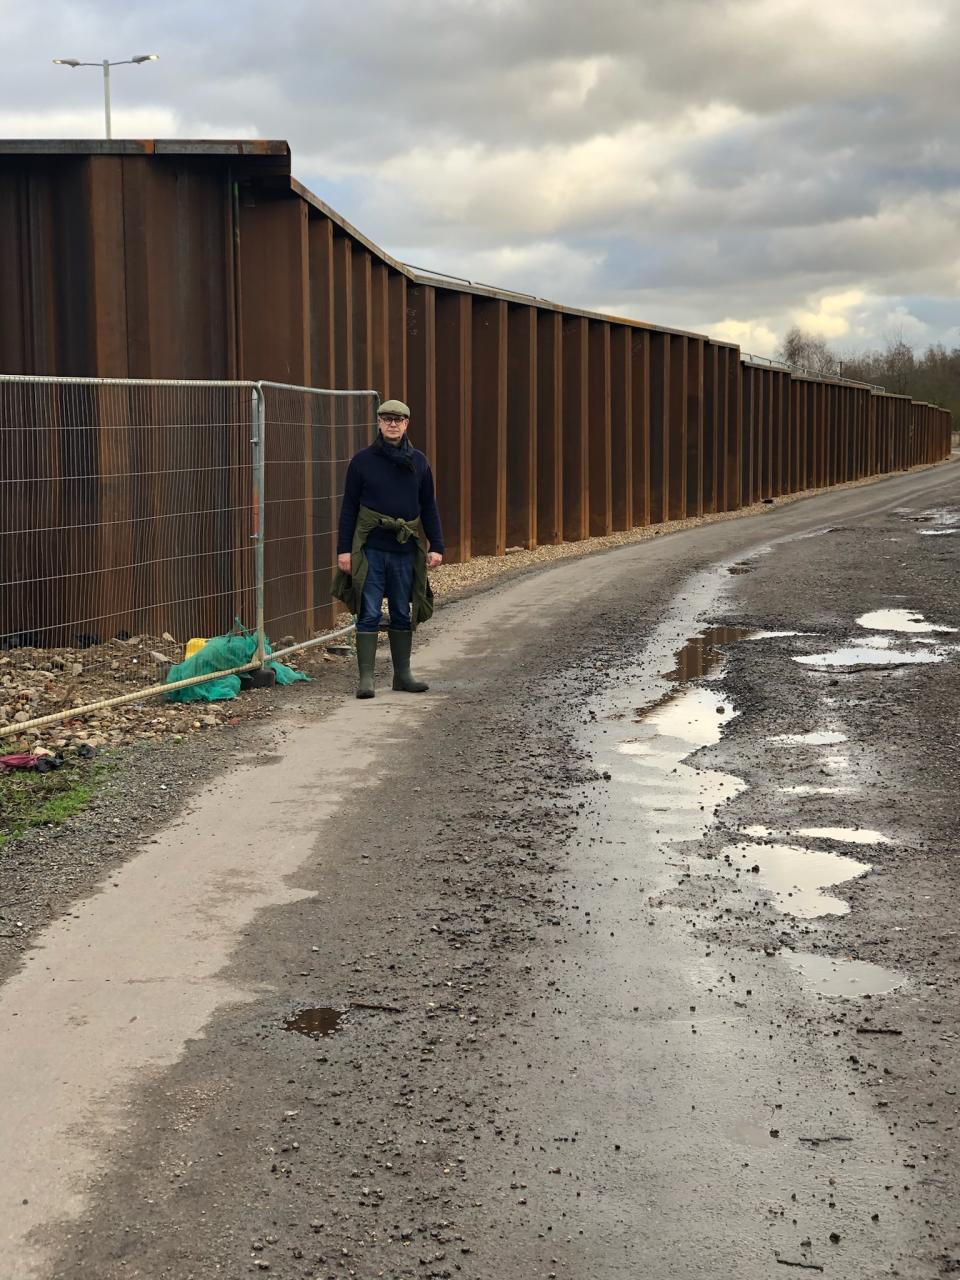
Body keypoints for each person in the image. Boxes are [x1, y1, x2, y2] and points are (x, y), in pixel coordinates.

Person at [332, 399, 444, 699]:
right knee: (368, 611)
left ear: (407, 424)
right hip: (370, 549)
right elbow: (349, 509)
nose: (392, 424)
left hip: (404, 549)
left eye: (398, 419)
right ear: (379, 423)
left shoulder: (419, 462)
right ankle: (366, 679)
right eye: (386, 419)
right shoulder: (362, 461)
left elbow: (428, 506)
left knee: (400, 610)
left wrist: (437, 545)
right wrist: (344, 550)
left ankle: (402, 675)